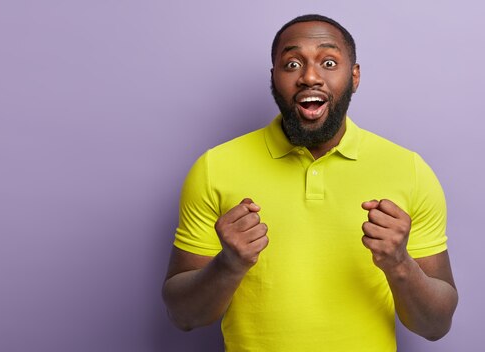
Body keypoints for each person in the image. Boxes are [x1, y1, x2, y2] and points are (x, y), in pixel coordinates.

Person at [162, 14, 458, 352]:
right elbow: (183, 316)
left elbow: (436, 326)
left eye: (328, 62)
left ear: (355, 76)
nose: (310, 76)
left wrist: (399, 263)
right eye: (291, 64)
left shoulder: (410, 170)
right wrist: (228, 264)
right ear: (274, 78)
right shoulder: (214, 168)